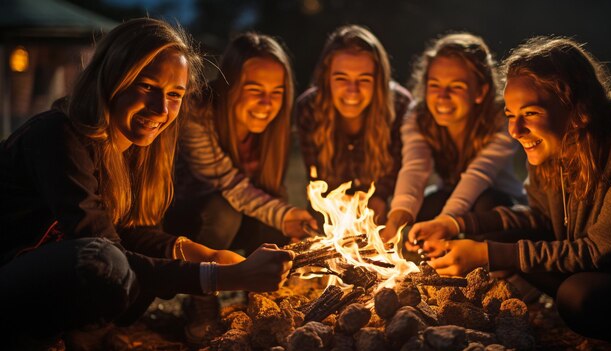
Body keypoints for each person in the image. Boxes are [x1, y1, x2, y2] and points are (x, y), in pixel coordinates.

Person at [0, 18, 294, 346]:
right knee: (108, 264)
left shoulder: (135, 151)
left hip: (42, 282)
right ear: (111, 77)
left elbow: (129, 233)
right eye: (147, 86)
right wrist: (224, 277)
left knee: (137, 268)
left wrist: (197, 253)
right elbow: (99, 249)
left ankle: (83, 334)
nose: (161, 108)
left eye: (174, 94)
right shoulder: (57, 135)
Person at [408, 36, 611, 347]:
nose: (515, 131)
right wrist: (455, 224)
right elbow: (538, 216)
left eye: (531, 113)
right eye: (510, 115)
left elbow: (593, 252)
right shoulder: (553, 146)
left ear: (577, 109)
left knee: (578, 296)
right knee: (489, 241)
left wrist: (488, 254)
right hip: (585, 263)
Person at [164, 32, 317, 255]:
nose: (267, 103)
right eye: (255, 90)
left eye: (277, 92)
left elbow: (271, 191)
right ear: (230, 85)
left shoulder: (274, 128)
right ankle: (200, 280)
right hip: (184, 220)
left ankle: (260, 287)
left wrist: (288, 223)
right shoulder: (197, 110)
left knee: (274, 225)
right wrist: (283, 214)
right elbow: (226, 183)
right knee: (223, 212)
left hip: (239, 214)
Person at [382, 32, 525, 243]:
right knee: (419, 208)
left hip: (498, 199)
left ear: (480, 92)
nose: (442, 96)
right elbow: (415, 167)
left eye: (456, 87)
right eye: (434, 85)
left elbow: (479, 174)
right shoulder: (418, 116)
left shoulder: (500, 118)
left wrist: (445, 223)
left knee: (485, 204)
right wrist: (396, 219)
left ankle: (487, 261)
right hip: (449, 195)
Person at [295, 24, 413, 226]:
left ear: (379, 80)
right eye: (341, 78)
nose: (352, 90)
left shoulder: (399, 106)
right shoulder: (309, 108)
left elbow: (398, 169)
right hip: (331, 204)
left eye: (364, 79)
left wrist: (378, 198)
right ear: (326, 78)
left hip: (383, 204)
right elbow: (315, 175)